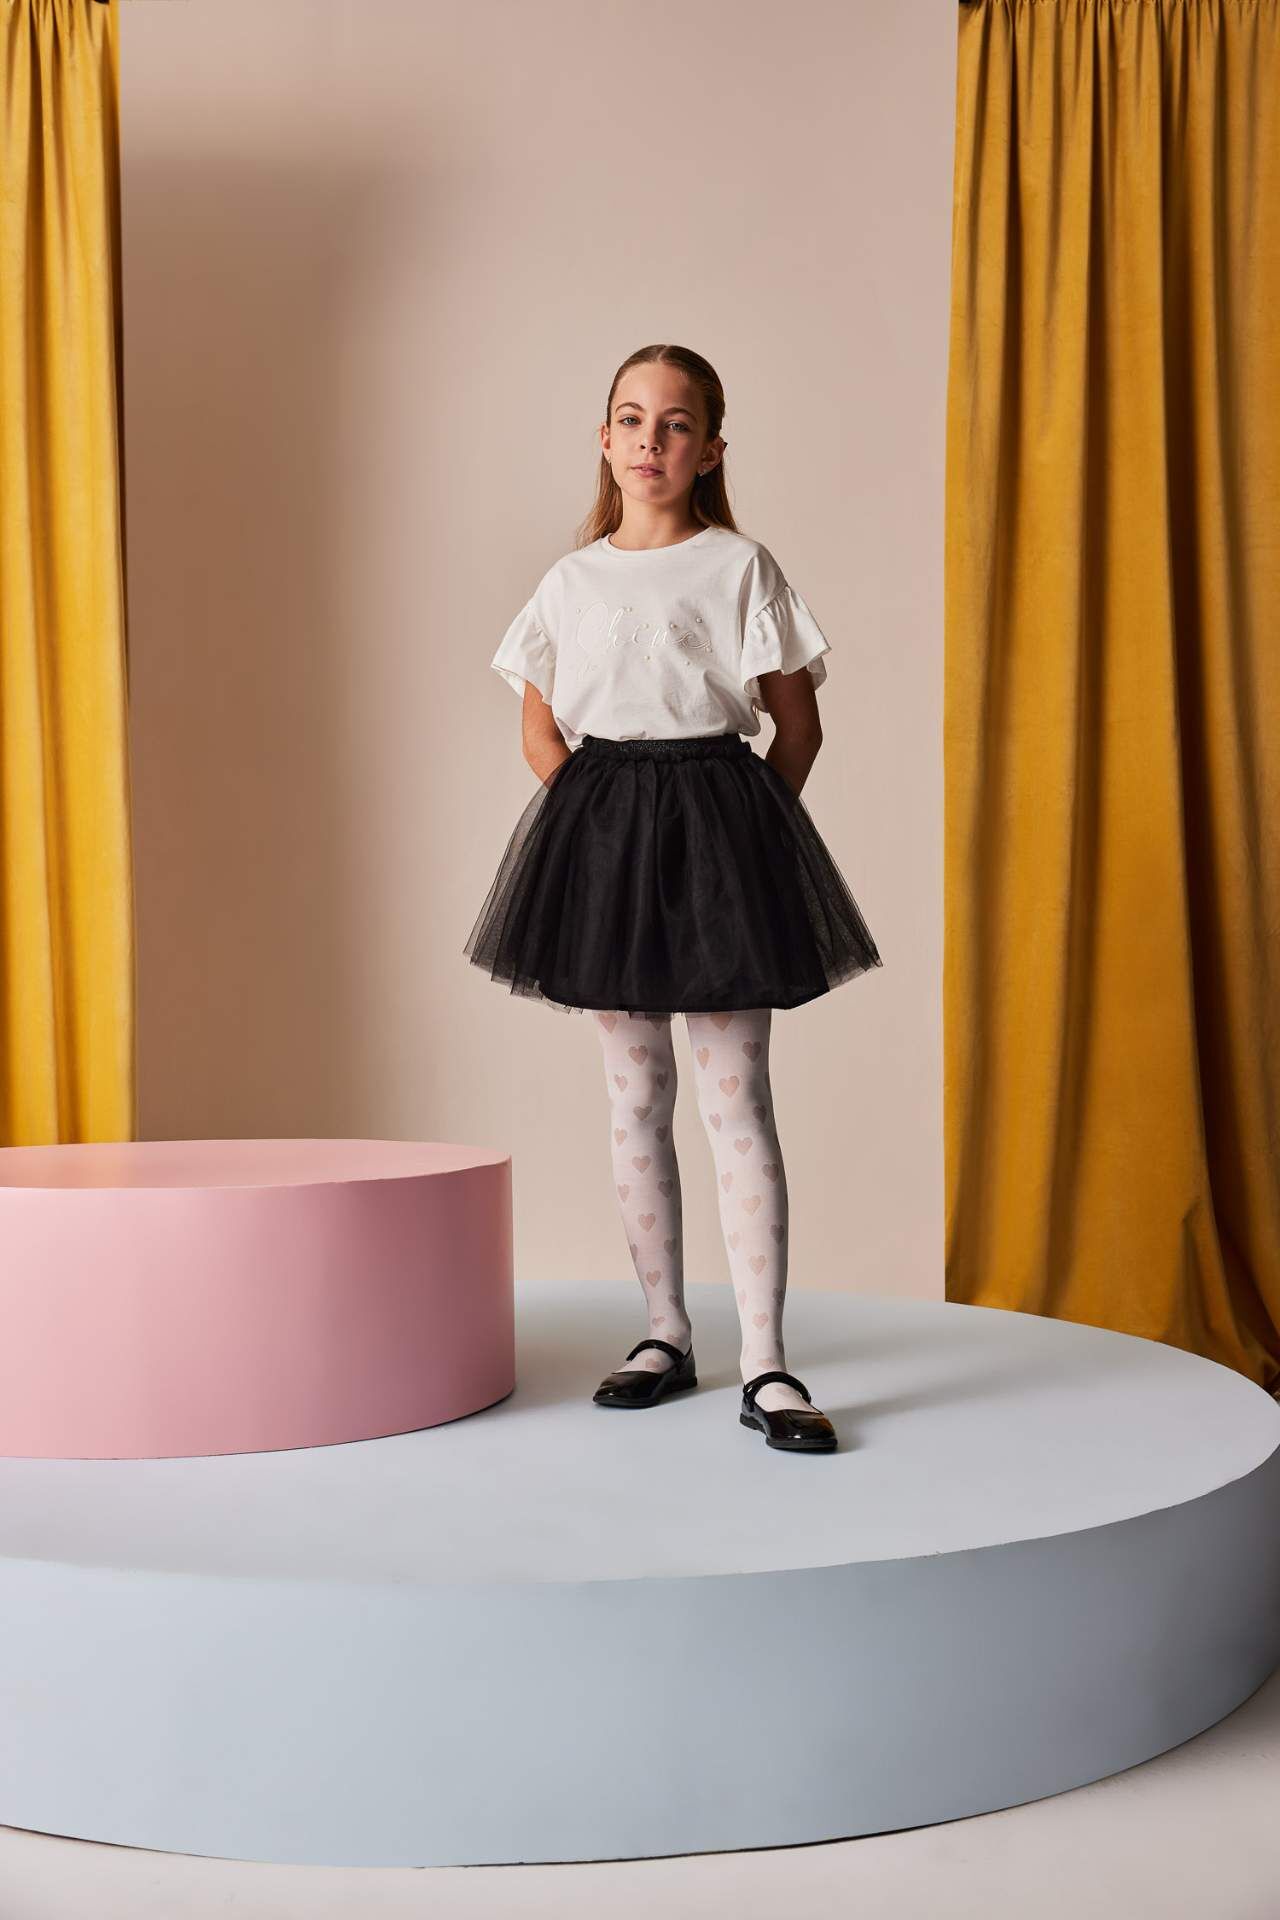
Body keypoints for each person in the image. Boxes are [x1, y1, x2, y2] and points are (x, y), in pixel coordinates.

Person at [463, 343, 882, 1454]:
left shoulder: (739, 566)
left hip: (719, 844)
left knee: (736, 1102)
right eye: (630, 418)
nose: (650, 440)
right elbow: (539, 729)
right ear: (604, 441)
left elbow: (796, 726)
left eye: (676, 423)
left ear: (711, 450)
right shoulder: (569, 583)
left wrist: (742, 841)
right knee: (635, 1095)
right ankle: (664, 1333)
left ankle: (766, 1361)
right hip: (607, 849)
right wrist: (600, 835)